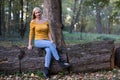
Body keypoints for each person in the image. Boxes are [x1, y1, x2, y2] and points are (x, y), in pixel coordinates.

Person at [27, 7, 70, 78]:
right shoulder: (33, 22)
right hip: (38, 41)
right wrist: (29, 44)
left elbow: (48, 32)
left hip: (46, 41)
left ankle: (45, 71)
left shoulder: (46, 20)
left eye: (39, 12)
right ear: (34, 14)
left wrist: (51, 40)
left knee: (49, 51)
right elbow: (31, 33)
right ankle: (60, 62)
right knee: (51, 44)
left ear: (41, 12)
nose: (38, 14)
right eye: (36, 13)